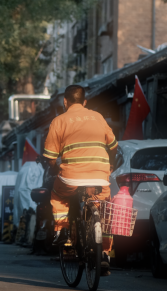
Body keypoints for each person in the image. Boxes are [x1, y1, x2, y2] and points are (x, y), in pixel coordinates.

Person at [42, 85, 118, 275]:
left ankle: (62, 232)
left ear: (65, 102)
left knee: (58, 195)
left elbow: (50, 156)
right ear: (85, 102)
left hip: (71, 177)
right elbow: (114, 145)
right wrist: (111, 165)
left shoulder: (59, 121)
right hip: (100, 176)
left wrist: (53, 169)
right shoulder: (98, 117)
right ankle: (105, 254)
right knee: (104, 208)